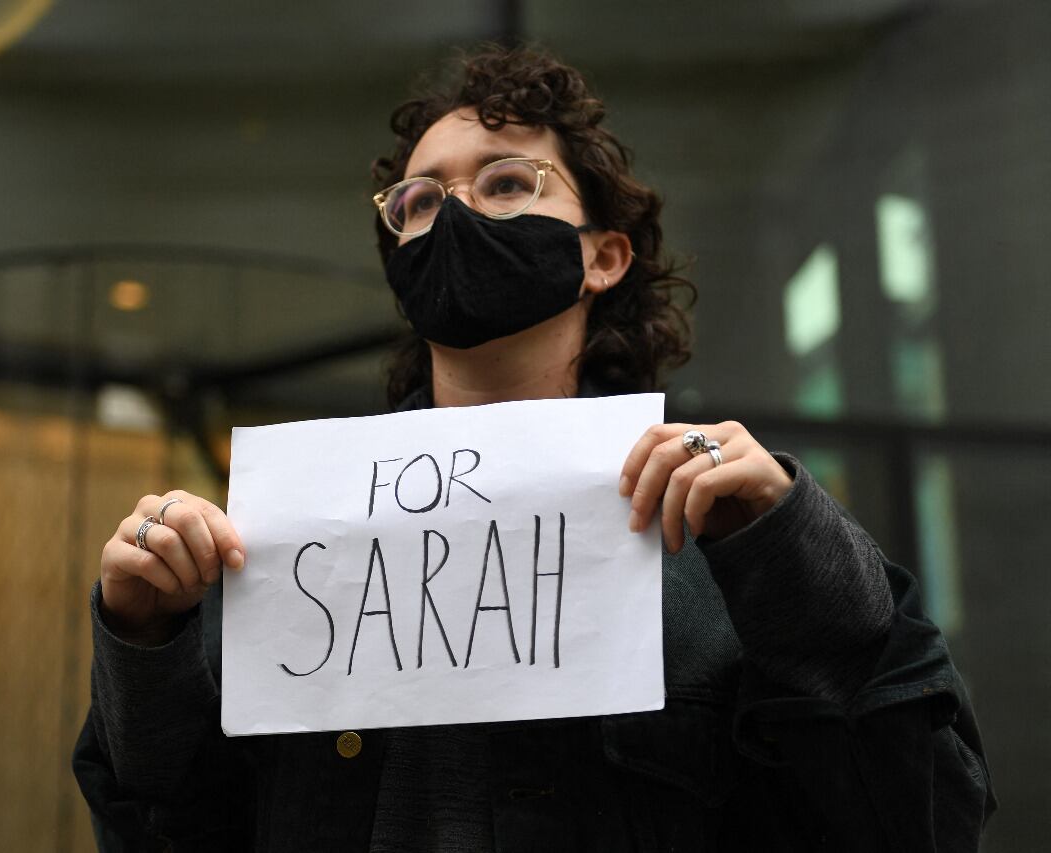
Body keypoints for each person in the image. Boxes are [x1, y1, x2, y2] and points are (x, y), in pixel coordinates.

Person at [72, 44, 996, 852]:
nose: (459, 213)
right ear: (398, 260)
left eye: (508, 183)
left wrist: (789, 544)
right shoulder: (292, 538)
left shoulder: (722, 531)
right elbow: (165, 825)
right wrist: (144, 636)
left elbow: (923, 818)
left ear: (604, 256)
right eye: (421, 200)